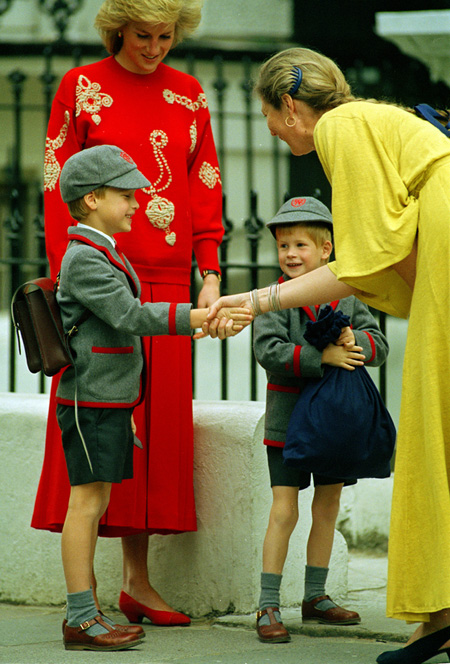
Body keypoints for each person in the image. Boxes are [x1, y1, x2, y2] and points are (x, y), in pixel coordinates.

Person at [207, 47, 450, 663]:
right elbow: (376, 261)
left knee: (433, 435)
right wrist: (261, 301)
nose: (267, 127)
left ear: (289, 106)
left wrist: (256, 300)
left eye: (267, 114)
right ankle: (439, 615)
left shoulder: (340, 129)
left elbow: (359, 265)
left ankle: (439, 615)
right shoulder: (370, 119)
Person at [32, 0, 224, 625]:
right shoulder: (80, 86)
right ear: (119, 28)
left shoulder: (191, 94)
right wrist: (69, 273)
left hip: (167, 278)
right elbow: (57, 177)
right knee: (105, 425)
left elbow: (205, 181)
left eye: (167, 36)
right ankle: (86, 600)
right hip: (101, 282)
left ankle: (137, 583)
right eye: (143, 35)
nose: (155, 47)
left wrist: (210, 269)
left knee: (152, 439)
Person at [55, 144, 248, 651]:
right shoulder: (85, 259)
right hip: (91, 403)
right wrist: (199, 318)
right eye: (126, 195)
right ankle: (80, 617)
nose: (138, 202)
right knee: (87, 504)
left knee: (95, 502)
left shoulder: (100, 251)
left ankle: (86, 614)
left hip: (106, 400)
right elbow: (131, 316)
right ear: (92, 198)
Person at [253, 196, 389, 643]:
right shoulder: (272, 299)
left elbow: (379, 345)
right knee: (284, 510)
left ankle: (316, 596)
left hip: (335, 424)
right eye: (283, 246)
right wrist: (320, 356)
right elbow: (267, 351)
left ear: (327, 249)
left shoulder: (347, 293)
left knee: (327, 507)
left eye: (301, 246)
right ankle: (268, 604)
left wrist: (353, 345)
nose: (290, 254)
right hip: (287, 423)